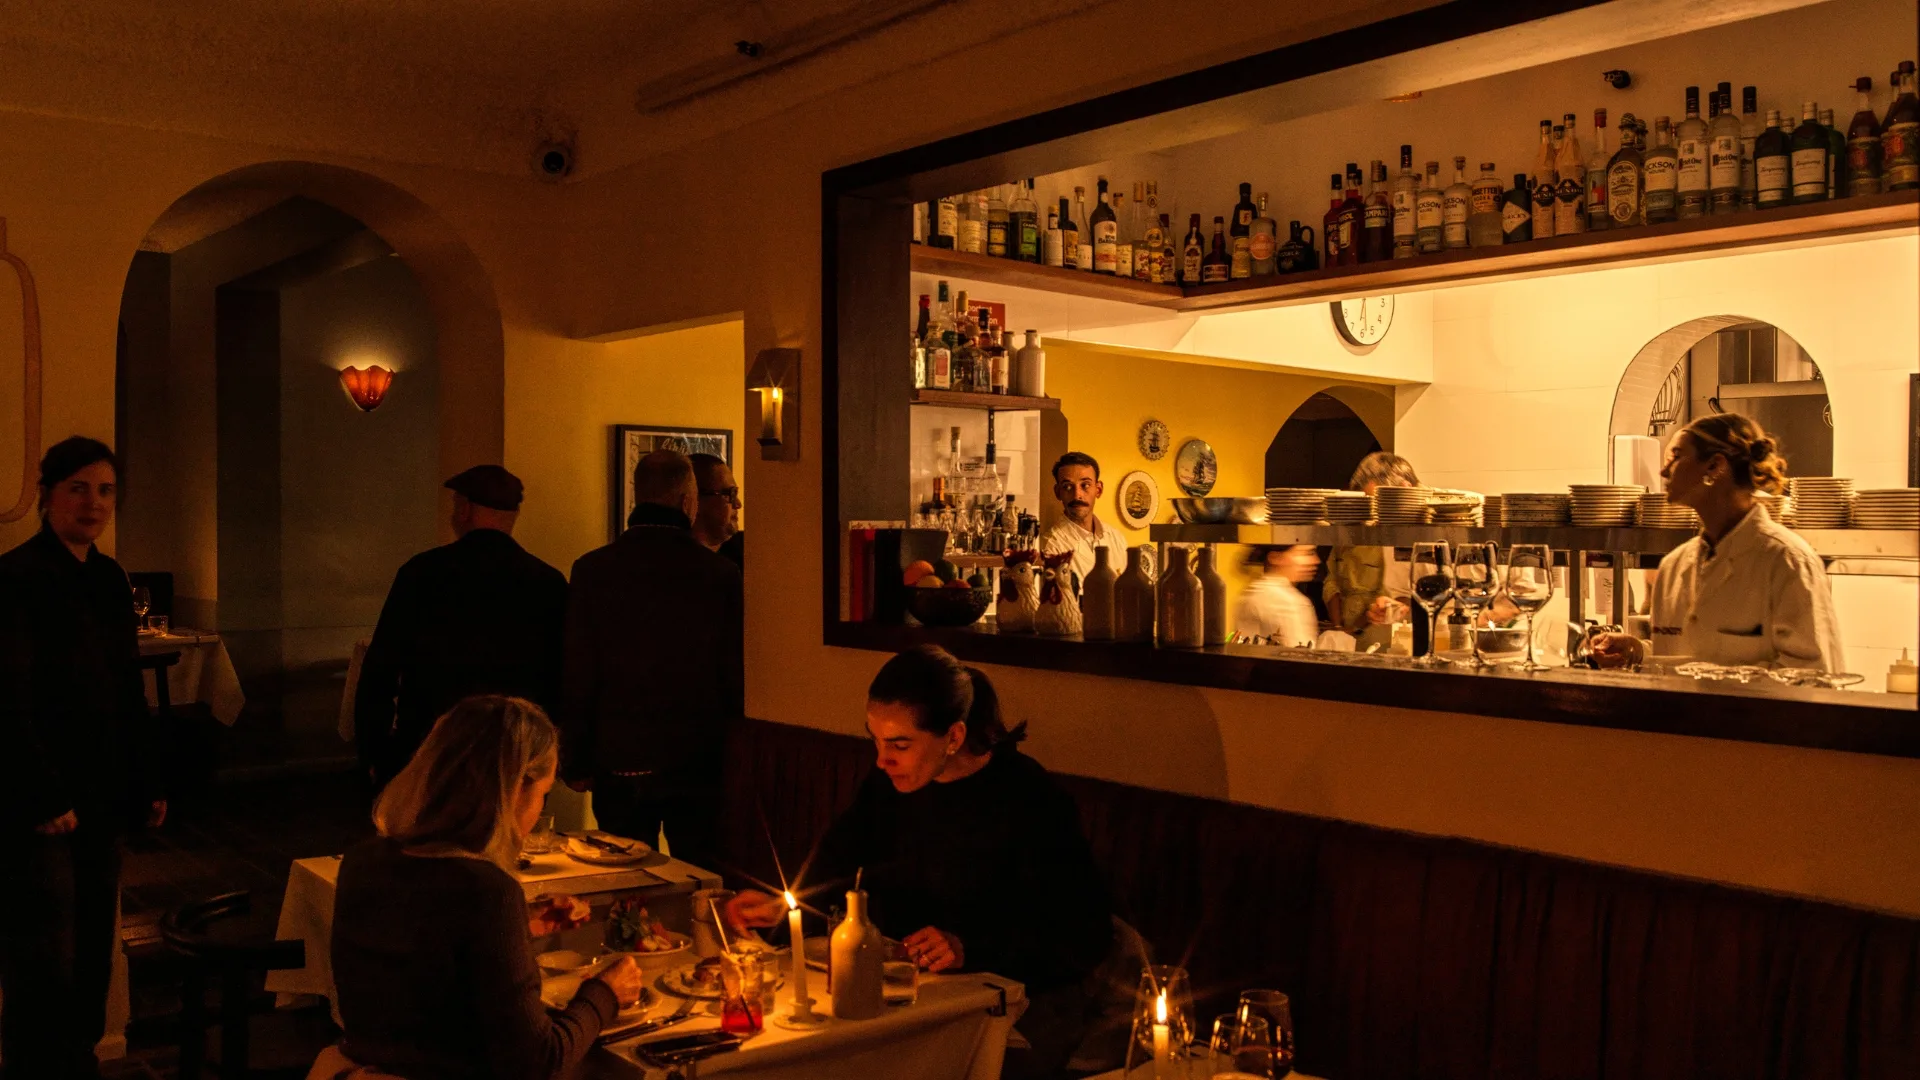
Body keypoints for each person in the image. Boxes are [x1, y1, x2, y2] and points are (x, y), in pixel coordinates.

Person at [726, 646, 1112, 1078]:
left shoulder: (1029, 800)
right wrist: (780, 907)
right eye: (875, 740)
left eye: (900, 744)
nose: (882, 759)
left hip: (1016, 1007)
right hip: (908, 996)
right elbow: (836, 861)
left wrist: (967, 947)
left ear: (954, 737)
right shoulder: (889, 783)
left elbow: (1083, 934)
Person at [327, 695, 644, 1080]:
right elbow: (539, 1063)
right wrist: (605, 994)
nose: (537, 813)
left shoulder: (362, 862)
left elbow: (423, 963)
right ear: (514, 789)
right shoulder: (487, 891)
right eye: (542, 795)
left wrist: (521, 925)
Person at [0, 436, 164, 1080]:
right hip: (42, 804)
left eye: (105, 491)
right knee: (44, 957)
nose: (93, 503)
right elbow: (7, 697)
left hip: (102, 795)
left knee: (95, 947)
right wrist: (41, 794)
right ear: (46, 497)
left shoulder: (108, 577)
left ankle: (79, 1063)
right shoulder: (16, 578)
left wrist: (146, 778)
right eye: (78, 489)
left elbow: (127, 688)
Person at [562, 450, 742, 864]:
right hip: (696, 760)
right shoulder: (718, 574)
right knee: (699, 873)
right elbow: (732, 673)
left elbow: (579, 669)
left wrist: (576, 758)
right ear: (687, 502)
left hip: (618, 758)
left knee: (624, 875)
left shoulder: (592, 569)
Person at [355, 465, 568, 787]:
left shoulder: (422, 573)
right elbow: (560, 676)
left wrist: (376, 753)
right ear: (514, 515)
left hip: (429, 746)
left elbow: (380, 671)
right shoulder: (547, 582)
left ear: (465, 509)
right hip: (513, 753)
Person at [1591, 413, 1844, 671]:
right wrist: (1638, 652)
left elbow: (1814, 674)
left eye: (1676, 457)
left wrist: (1702, 676)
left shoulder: (1787, 562)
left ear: (1714, 466)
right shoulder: (1672, 566)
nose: (1664, 471)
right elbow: (1684, 653)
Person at [1324, 451, 1419, 652]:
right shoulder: (1389, 534)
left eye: (1377, 504)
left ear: (1405, 488)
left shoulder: (1451, 520)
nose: (1372, 517)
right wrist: (1388, 608)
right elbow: (1401, 594)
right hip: (1400, 640)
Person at [1042, 451, 1127, 588]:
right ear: (1058, 492)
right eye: (1067, 487)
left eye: (1085, 485)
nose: (1077, 495)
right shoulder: (1052, 548)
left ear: (1098, 490)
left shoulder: (1117, 539)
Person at [1236, 545, 1321, 647]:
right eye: (1306, 554)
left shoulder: (1252, 592)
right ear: (1276, 558)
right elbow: (1300, 653)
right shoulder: (1287, 602)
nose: (1315, 560)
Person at [689, 452, 743, 568]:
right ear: (696, 500)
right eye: (730, 494)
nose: (738, 504)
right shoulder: (670, 563)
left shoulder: (749, 552)